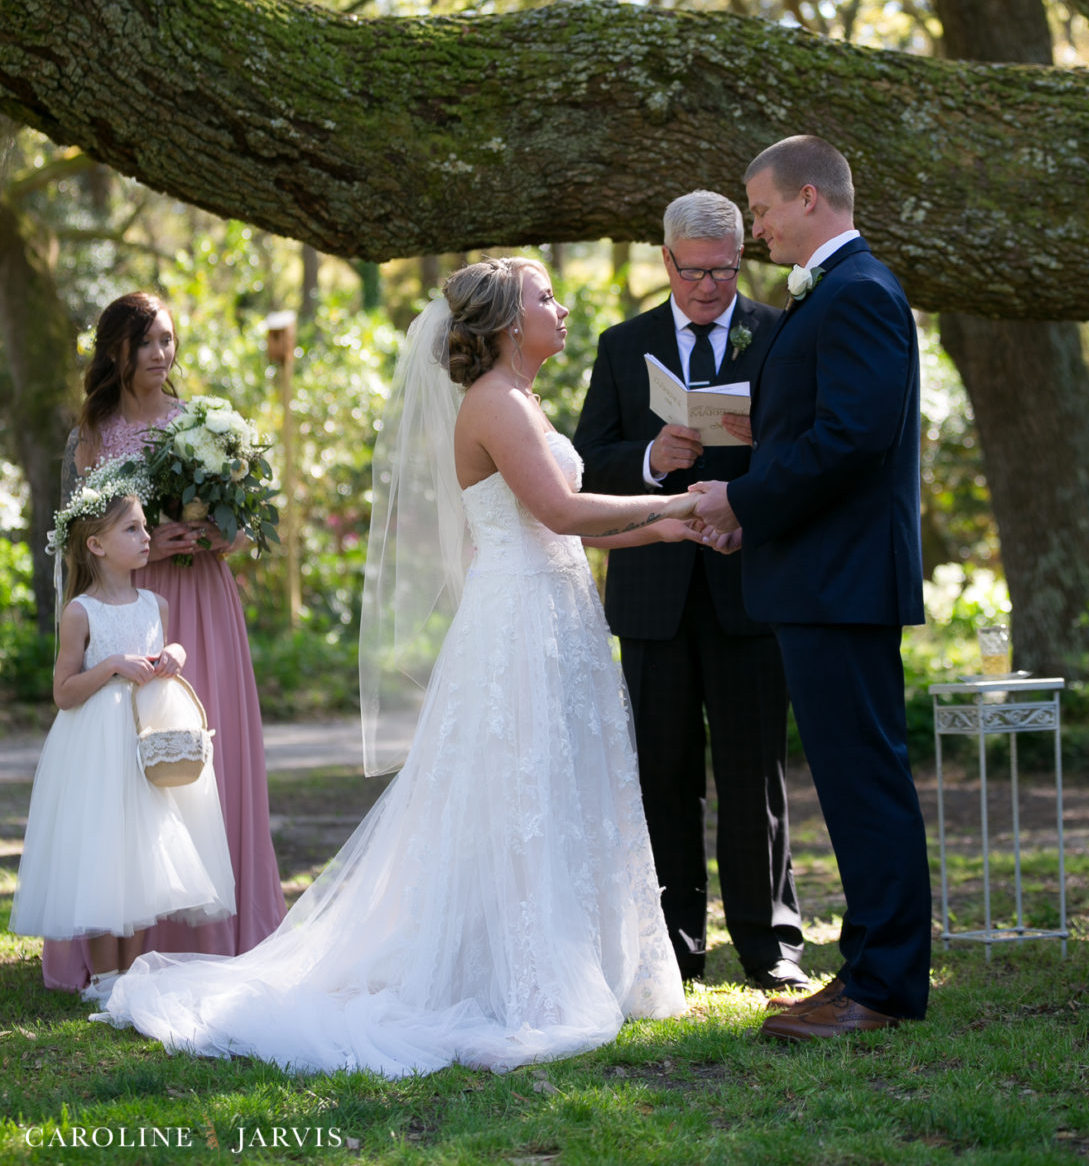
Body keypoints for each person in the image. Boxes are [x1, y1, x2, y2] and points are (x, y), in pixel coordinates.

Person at [98, 258, 696, 1075]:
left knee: (558, 786)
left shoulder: (522, 398)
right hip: (516, 621)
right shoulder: (492, 403)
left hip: (556, 609)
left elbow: (568, 529)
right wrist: (679, 503)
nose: (561, 306)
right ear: (506, 324)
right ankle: (520, 972)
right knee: (515, 790)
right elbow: (561, 509)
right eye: (545, 297)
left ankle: (586, 957)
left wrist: (669, 530)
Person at [691, 137, 932, 1041]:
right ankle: (866, 967)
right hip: (818, 578)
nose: (754, 228)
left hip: (843, 582)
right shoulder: (835, 292)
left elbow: (852, 440)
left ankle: (888, 986)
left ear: (805, 197)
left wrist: (743, 496)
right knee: (848, 779)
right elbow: (821, 433)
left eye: (759, 209)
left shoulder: (862, 292)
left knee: (867, 782)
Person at [574, 191, 804, 991]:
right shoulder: (622, 344)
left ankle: (770, 942)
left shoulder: (779, 335)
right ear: (665, 260)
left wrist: (760, 446)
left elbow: (812, 450)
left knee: (754, 772)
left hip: (750, 582)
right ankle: (674, 947)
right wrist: (650, 457)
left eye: (724, 270)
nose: (709, 287)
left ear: (741, 258)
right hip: (653, 591)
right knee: (663, 772)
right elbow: (583, 462)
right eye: (695, 270)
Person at [43, 292, 285, 992]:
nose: (160, 353)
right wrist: (148, 550)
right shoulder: (92, 434)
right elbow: (76, 544)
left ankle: (215, 934)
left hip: (204, 602)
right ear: (115, 348)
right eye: (145, 341)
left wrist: (218, 533)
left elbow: (245, 525)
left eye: (168, 340)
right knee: (129, 769)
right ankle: (124, 948)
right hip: (134, 611)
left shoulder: (200, 423)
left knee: (209, 752)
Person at [11, 488, 235, 1000]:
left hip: (145, 739)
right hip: (97, 743)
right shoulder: (80, 612)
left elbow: (161, 651)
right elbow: (63, 693)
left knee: (143, 852)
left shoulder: (156, 602)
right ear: (96, 545)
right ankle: (105, 976)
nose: (146, 537)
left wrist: (172, 652)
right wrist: (111, 665)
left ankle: (133, 975)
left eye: (143, 526)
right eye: (132, 529)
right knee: (103, 848)